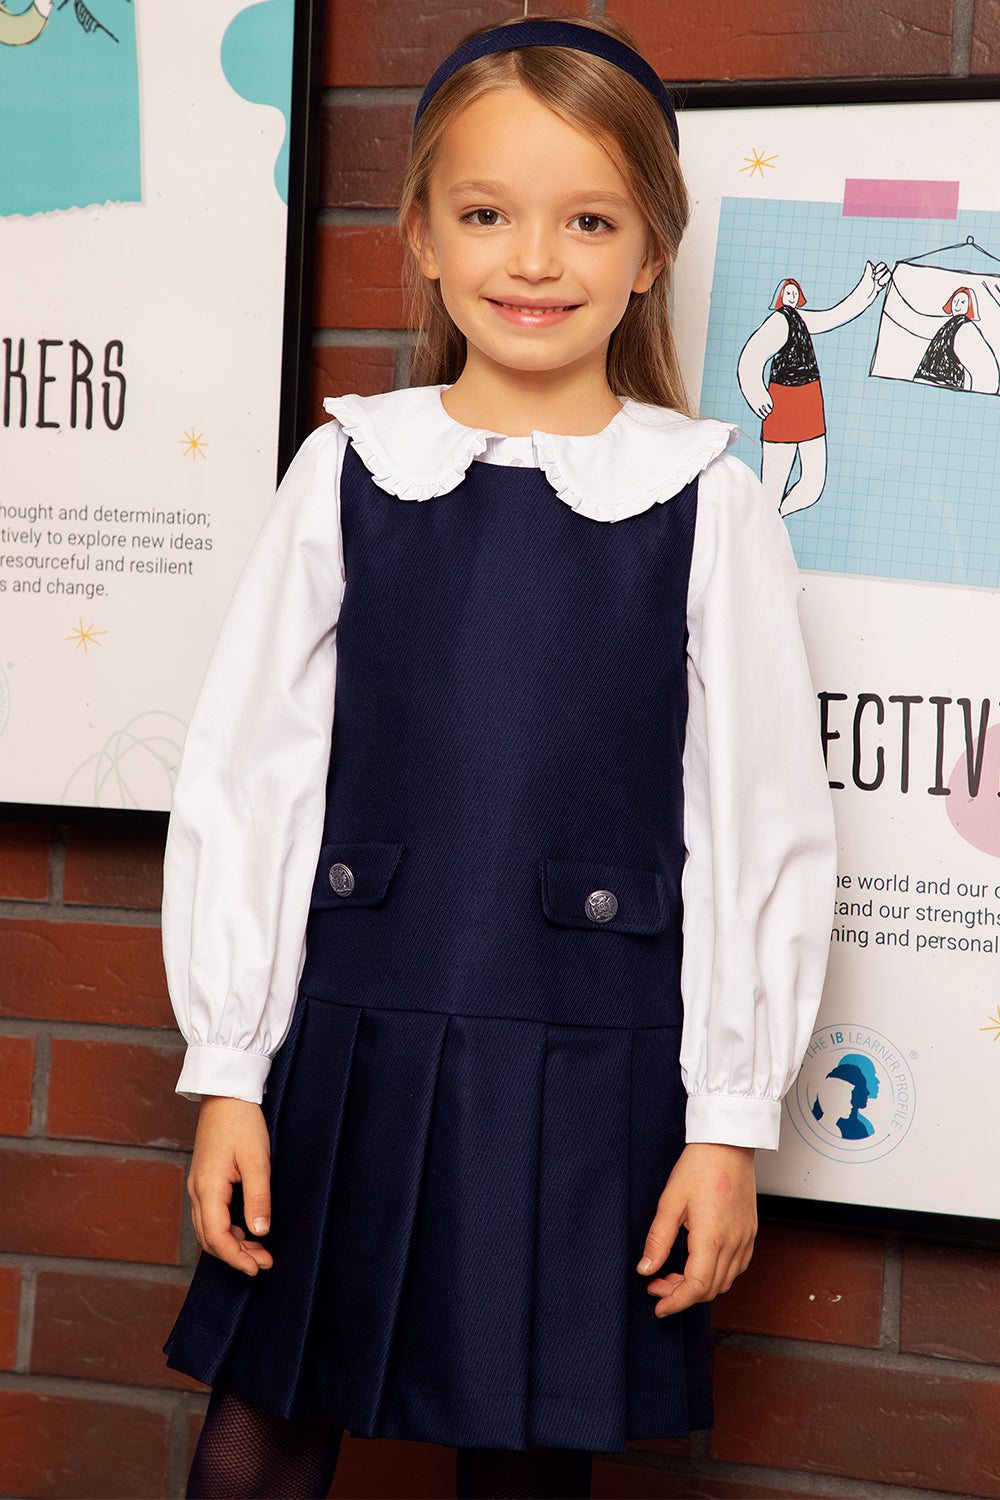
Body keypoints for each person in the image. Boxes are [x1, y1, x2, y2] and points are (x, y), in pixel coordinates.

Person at [162, 17, 837, 1499]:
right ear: (422, 235)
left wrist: (728, 1124)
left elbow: (758, 830)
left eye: (588, 220)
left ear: (652, 250)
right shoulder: (349, 468)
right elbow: (250, 777)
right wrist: (229, 1071)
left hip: (589, 1063)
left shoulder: (707, 506)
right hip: (350, 1035)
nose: (535, 260)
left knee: (528, 1457)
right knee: (260, 1432)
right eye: (487, 215)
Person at [737, 264, 888, 516]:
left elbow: (834, 315)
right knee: (772, 487)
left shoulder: (803, 319)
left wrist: (868, 288)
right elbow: (751, 357)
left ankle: (773, 518)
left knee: (813, 485)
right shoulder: (778, 322)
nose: (793, 296)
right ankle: (766, 521)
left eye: (795, 293)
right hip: (782, 407)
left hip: (809, 404)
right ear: (780, 297)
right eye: (788, 292)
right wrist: (756, 394)